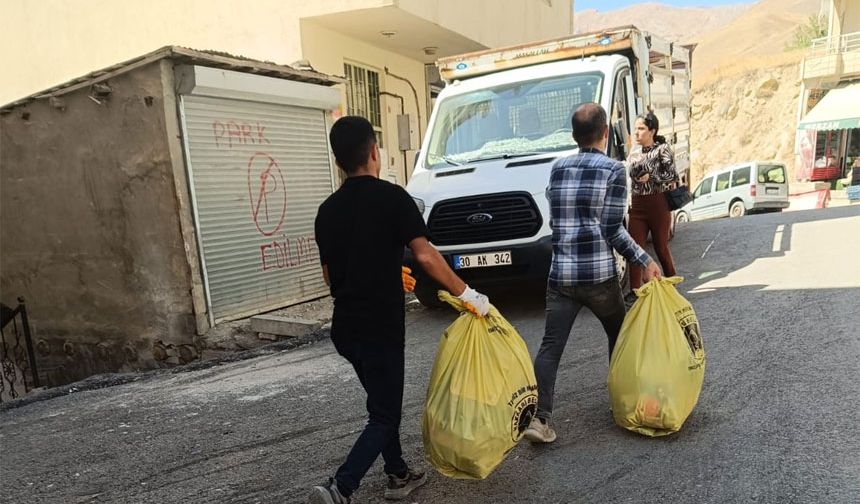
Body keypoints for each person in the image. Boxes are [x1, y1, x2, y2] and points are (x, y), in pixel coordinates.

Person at [309, 116, 490, 504]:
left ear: (338, 159)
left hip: (346, 328)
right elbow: (425, 255)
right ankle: (340, 487)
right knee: (385, 414)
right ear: (374, 152)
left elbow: (330, 276)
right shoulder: (393, 198)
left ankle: (398, 474)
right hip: (380, 325)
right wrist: (468, 294)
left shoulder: (326, 211)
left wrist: (387, 271)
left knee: (380, 401)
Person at [523, 104, 661, 444]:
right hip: (598, 276)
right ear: (605, 134)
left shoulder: (557, 168)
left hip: (561, 276)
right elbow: (613, 230)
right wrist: (645, 260)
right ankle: (624, 402)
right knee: (621, 335)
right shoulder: (614, 170)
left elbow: (556, 223)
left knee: (550, 347)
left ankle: (540, 420)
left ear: (573, 136)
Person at [626, 111, 679, 298]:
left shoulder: (662, 149)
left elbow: (672, 175)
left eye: (641, 129)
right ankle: (635, 293)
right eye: (635, 129)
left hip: (658, 203)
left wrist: (652, 177)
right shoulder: (634, 152)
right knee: (633, 248)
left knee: (660, 247)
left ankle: (672, 284)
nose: (637, 133)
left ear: (652, 131)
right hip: (637, 205)